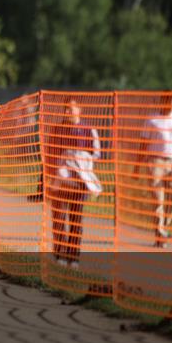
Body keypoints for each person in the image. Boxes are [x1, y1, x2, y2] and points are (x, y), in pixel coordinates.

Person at [48, 98, 102, 268]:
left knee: (75, 220)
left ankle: (74, 258)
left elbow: (96, 154)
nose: (67, 113)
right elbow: (51, 154)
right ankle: (60, 255)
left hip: (79, 183)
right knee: (58, 219)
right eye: (65, 109)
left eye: (70, 109)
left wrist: (80, 159)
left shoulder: (88, 130)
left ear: (79, 110)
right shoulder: (58, 130)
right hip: (60, 181)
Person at [140, 93, 172, 248]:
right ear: (162, 101)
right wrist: (137, 165)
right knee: (158, 201)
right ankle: (160, 234)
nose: (171, 105)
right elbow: (143, 143)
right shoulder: (152, 119)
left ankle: (164, 228)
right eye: (168, 102)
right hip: (155, 162)